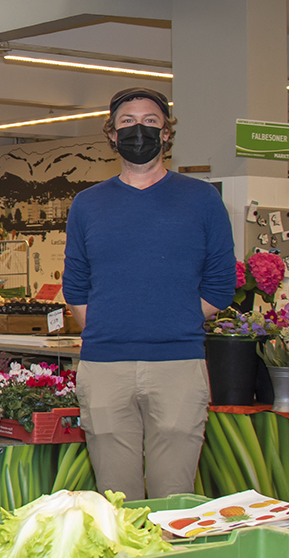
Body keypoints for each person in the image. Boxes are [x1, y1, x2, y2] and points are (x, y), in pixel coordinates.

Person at [63, 87, 236, 500]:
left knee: (174, 497)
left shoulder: (202, 200)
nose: (138, 130)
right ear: (111, 134)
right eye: (127, 122)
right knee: (115, 497)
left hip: (179, 364)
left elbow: (220, 283)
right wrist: (111, 326)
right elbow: (76, 285)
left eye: (150, 122)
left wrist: (172, 319)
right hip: (105, 366)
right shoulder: (87, 204)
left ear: (167, 134)